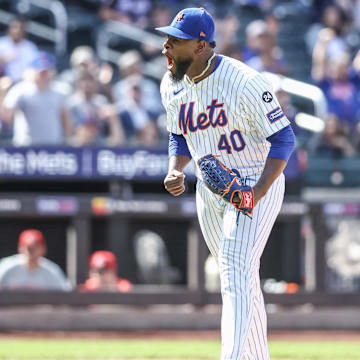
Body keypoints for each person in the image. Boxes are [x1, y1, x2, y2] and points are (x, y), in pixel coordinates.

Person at [157, 8, 295, 360]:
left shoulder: (245, 81)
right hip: (209, 186)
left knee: (235, 265)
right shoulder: (170, 83)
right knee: (239, 276)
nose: (165, 47)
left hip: (253, 178)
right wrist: (176, 169)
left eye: (175, 40)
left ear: (201, 45)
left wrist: (256, 192)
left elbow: (283, 140)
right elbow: (179, 134)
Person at [0, 51, 72, 145]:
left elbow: (65, 117)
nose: (43, 75)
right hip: (26, 146)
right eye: (40, 71)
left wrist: (68, 140)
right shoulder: (20, 90)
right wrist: (2, 92)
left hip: (54, 146)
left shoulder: (60, 90)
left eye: (46, 71)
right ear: (32, 71)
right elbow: (7, 118)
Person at [0, 229, 71, 291]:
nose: (32, 252)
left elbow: (66, 294)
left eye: (35, 247)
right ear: (20, 248)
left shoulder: (52, 270)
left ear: (43, 249)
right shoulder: (7, 267)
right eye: (29, 248)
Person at [67, 71, 124, 147]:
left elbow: (117, 141)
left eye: (90, 80)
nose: (87, 84)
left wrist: (111, 117)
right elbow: (69, 132)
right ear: (78, 83)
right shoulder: (71, 103)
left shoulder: (101, 101)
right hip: (77, 144)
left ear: (95, 83)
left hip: (98, 142)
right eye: (84, 80)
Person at [0, 15, 39, 83]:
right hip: (4, 81)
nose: (17, 31)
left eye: (21, 28)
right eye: (15, 27)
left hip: (25, 82)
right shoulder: (2, 43)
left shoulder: (30, 47)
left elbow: (36, 67)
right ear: (9, 28)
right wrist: (4, 59)